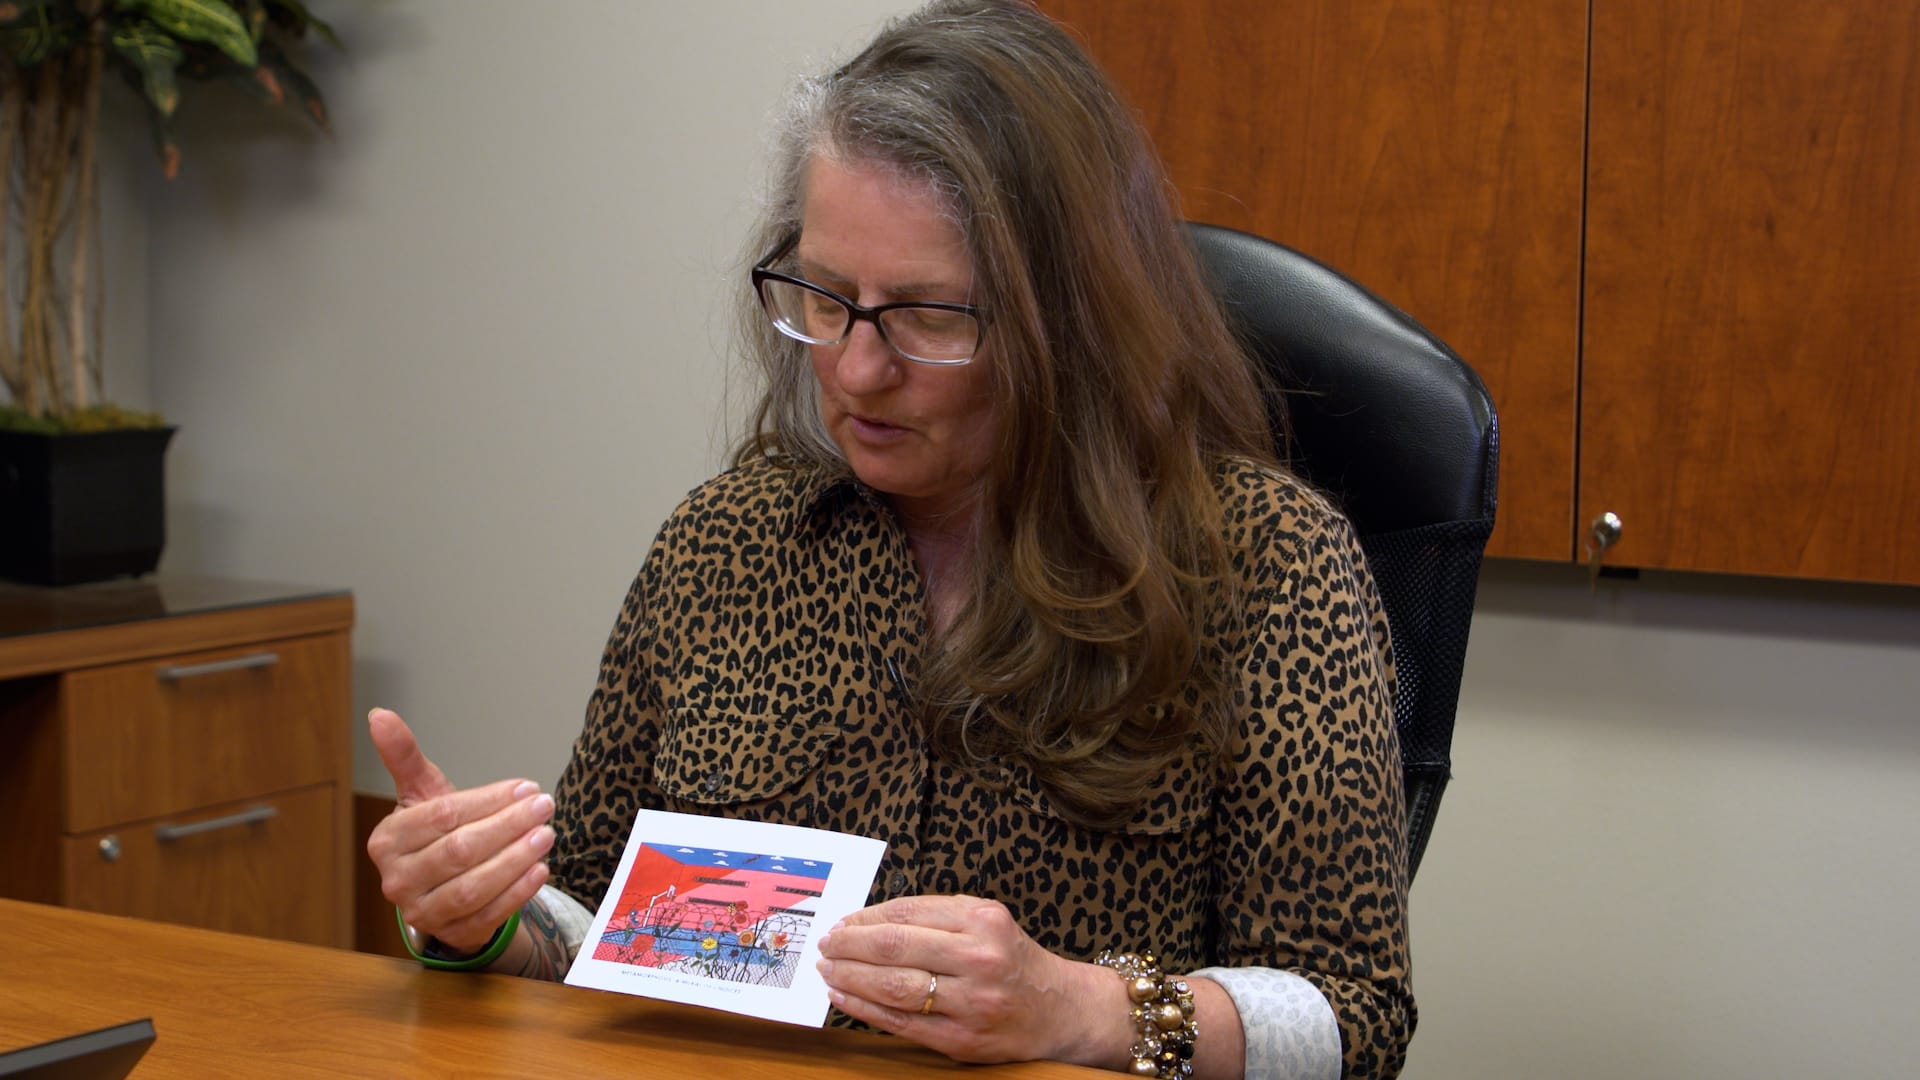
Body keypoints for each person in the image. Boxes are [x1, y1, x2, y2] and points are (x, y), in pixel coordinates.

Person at [365, 2, 1412, 1077]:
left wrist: (1081, 1008)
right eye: (826, 296)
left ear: (1071, 317)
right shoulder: (725, 544)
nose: (856, 369)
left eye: (926, 316)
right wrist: (480, 915)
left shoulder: (1264, 563)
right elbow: (586, 929)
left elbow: (1353, 1018)